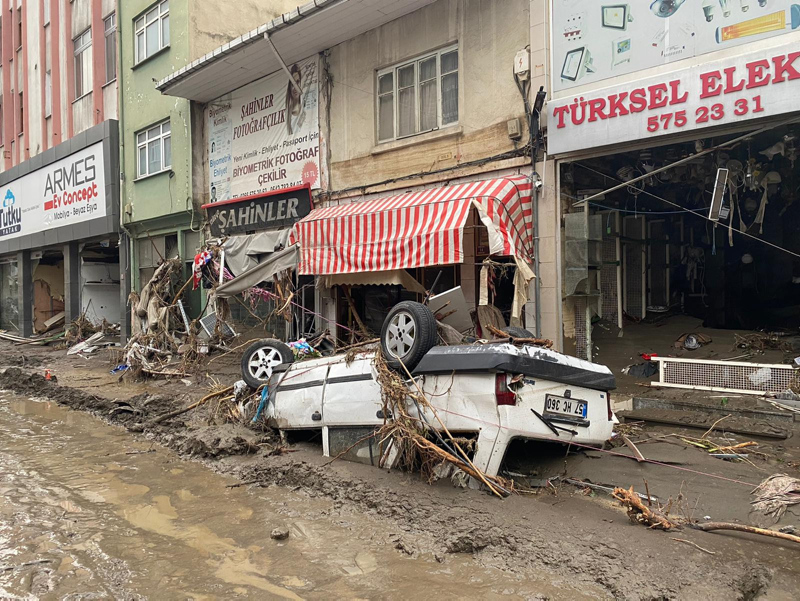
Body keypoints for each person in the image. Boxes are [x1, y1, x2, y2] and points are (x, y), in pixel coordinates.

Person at [286, 64, 305, 135]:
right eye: (292, 84)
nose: (295, 87)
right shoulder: (288, 113)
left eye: (297, 82)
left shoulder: (304, 107)